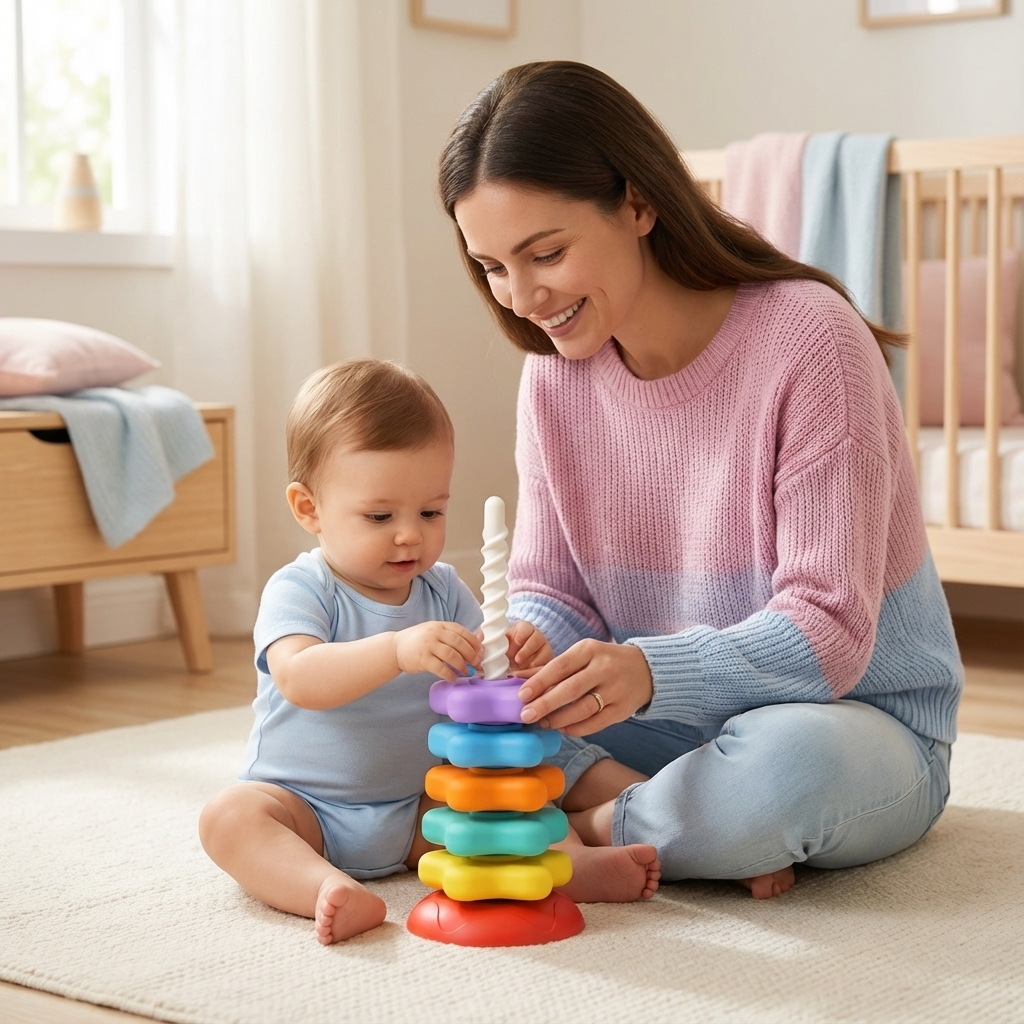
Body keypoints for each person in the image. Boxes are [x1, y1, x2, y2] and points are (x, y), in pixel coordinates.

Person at [439, 61, 962, 900]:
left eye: (546, 253)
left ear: (639, 203)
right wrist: (525, 648)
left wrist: (646, 673)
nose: (523, 297)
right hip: (654, 730)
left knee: (786, 773)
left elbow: (829, 631)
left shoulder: (809, 342)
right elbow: (553, 590)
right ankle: (678, 824)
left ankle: (587, 828)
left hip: (852, 725)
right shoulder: (553, 377)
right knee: (451, 711)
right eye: (494, 267)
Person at [199, 358, 660, 945]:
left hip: (421, 810)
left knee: (505, 799)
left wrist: (516, 652)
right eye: (380, 516)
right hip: (305, 809)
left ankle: (563, 869)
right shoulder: (303, 588)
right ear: (308, 508)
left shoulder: (442, 588)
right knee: (229, 818)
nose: (410, 534)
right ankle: (323, 888)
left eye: (431, 512)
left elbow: (484, 673)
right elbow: (299, 677)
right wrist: (396, 649)